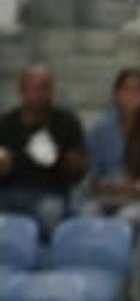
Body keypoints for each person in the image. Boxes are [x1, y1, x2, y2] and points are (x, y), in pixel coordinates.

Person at [0, 64, 85, 237]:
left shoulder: (66, 122)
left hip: (50, 192)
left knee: (50, 211)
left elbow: (78, 171)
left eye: (43, 88)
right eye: (32, 88)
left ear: (52, 90)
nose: (38, 94)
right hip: (10, 191)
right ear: (21, 90)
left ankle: (46, 260)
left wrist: (61, 159)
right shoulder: (6, 123)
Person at [82, 67, 140, 227]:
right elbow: (90, 173)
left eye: (138, 91)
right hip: (107, 196)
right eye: (127, 89)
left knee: (124, 219)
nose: (132, 96)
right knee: (87, 215)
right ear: (116, 94)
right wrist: (105, 184)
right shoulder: (100, 130)